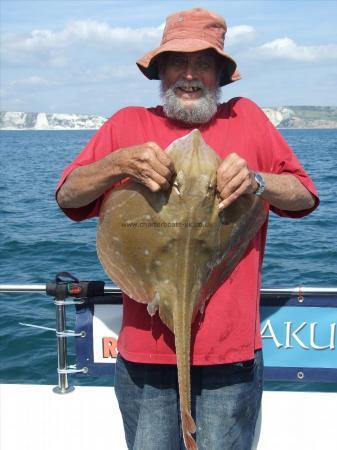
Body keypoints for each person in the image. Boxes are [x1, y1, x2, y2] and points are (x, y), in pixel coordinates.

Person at [56, 7, 319, 450]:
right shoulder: (127, 124)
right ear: (161, 70)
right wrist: (118, 163)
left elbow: (305, 195)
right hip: (146, 353)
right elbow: (68, 196)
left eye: (203, 63)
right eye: (178, 61)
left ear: (220, 72)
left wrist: (256, 180)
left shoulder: (248, 119)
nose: (190, 74)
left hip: (230, 351)